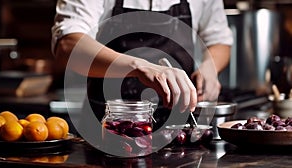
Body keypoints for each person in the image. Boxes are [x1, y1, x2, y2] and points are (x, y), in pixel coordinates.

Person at [51, 0, 233, 126]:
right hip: (106, 129)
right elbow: (68, 45)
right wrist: (138, 66)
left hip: (180, 131)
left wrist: (210, 67)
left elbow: (219, 40)